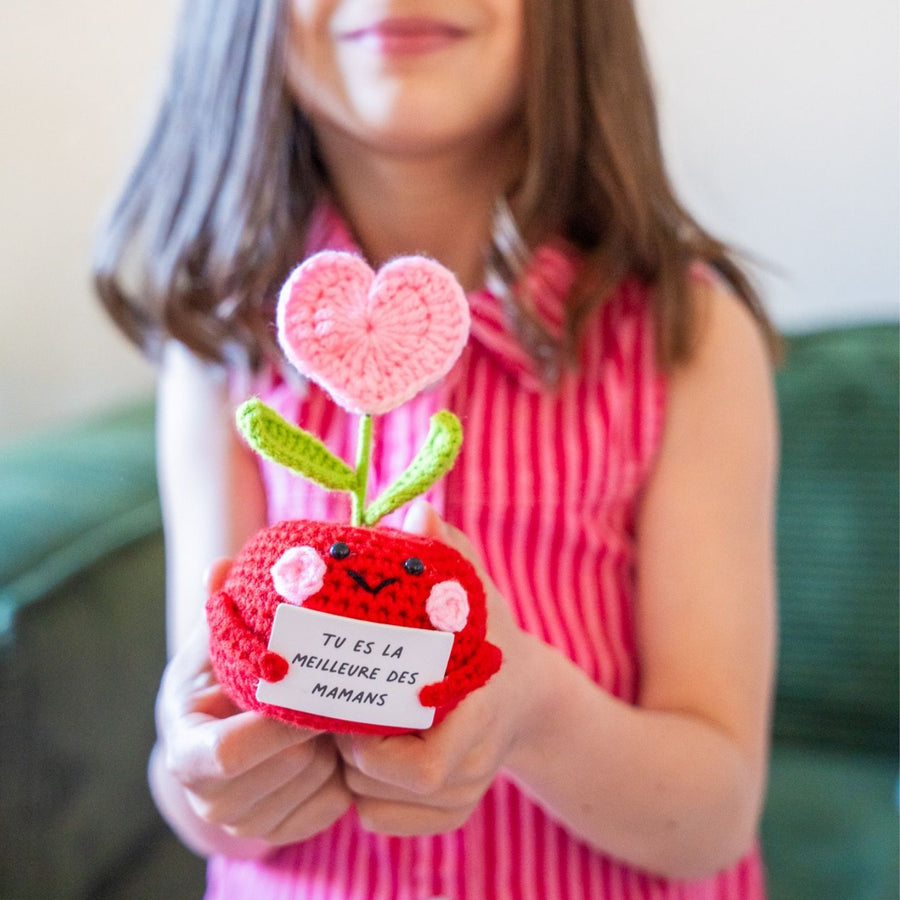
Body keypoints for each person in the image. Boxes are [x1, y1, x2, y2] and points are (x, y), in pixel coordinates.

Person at [94, 1, 780, 897]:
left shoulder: (685, 340)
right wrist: (206, 770)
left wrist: (532, 713)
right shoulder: (219, 354)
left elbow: (715, 815)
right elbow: (195, 775)